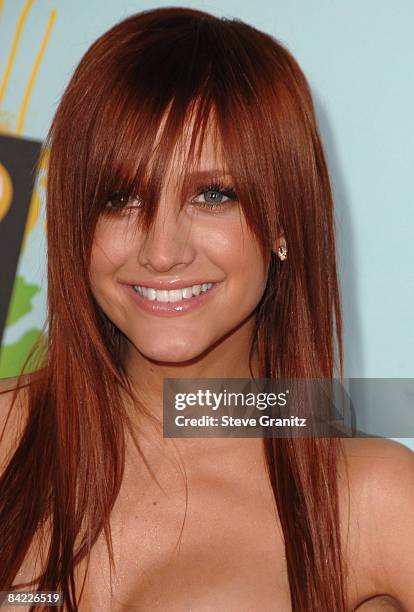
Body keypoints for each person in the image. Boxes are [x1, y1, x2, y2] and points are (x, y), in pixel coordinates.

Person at [0, 7, 413, 611]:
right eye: (120, 198)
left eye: (213, 195)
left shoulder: (370, 502)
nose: (161, 251)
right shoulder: (8, 434)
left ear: (282, 223)